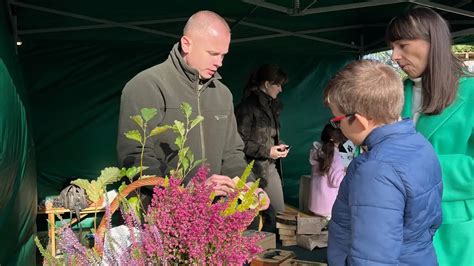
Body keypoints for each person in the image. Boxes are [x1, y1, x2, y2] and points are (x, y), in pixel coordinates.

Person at [117, 10, 269, 210]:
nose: (220, 62)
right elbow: (135, 157)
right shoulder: (147, 85)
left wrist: (247, 185)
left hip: (213, 214)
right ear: (186, 44)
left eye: (223, 55)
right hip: (160, 214)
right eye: (213, 53)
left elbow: (232, 153)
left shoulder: (223, 94)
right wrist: (187, 190)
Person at [325, 60, 442, 265]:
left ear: (360, 121)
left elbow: (372, 259)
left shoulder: (376, 170)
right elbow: (431, 222)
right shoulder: (420, 144)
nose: (337, 127)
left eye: (337, 120)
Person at [386, 7, 474, 266]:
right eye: (392, 47)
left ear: (433, 43)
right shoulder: (394, 94)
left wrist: (414, 167)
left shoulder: (471, 95)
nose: (394, 56)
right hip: (398, 229)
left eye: (403, 45)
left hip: (452, 233)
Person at [234, 64, 288, 231]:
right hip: (249, 169)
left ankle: (272, 253)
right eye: (277, 84)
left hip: (269, 166)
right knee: (250, 217)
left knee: (279, 215)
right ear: (266, 84)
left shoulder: (272, 107)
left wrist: (277, 146)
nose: (280, 89)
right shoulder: (246, 108)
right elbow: (237, 143)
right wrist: (268, 151)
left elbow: (267, 136)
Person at [308, 123, 346, 219]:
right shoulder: (335, 155)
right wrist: (346, 171)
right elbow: (336, 181)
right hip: (329, 209)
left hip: (315, 205)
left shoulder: (317, 150)